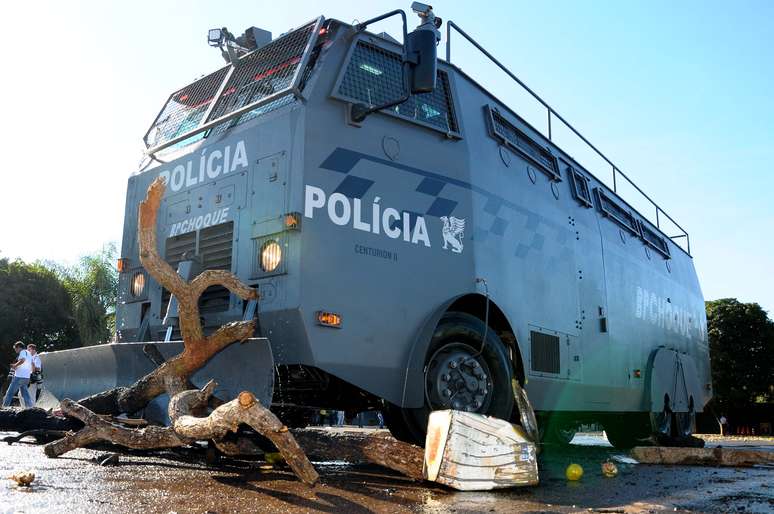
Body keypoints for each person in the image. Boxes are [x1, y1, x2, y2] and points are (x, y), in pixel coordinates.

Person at [2, 342, 34, 408]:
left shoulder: (22, 352)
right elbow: (32, 364)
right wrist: (30, 372)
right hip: (26, 377)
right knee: (25, 394)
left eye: (15, 349)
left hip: (19, 377)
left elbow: (23, 360)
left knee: (9, 393)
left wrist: (14, 365)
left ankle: (4, 408)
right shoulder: (29, 353)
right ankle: (30, 408)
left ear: (19, 347)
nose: (15, 350)